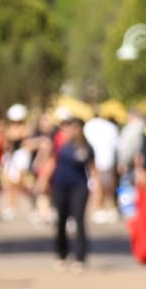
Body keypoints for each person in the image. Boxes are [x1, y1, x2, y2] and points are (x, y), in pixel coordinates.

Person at [48, 115, 94, 270]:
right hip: (60, 185)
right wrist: (44, 180)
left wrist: (97, 187)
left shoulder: (86, 147)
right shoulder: (61, 144)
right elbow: (52, 162)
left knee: (78, 220)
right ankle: (61, 253)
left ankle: (80, 256)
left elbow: (92, 167)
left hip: (78, 186)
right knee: (60, 220)